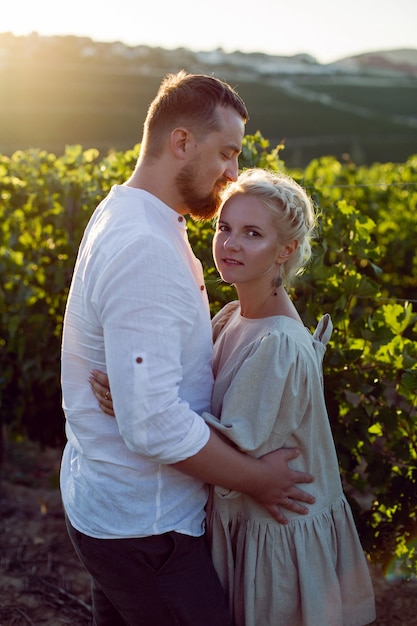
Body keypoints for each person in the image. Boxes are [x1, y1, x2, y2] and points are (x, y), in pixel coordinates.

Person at [60, 71, 316, 626]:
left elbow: (145, 398)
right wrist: (259, 479)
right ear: (181, 142)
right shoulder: (145, 245)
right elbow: (151, 424)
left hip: (115, 510)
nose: (232, 173)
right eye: (227, 153)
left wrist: (134, 397)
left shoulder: (125, 213)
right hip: (147, 529)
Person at [92, 168, 376, 625]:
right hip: (242, 522)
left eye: (252, 233)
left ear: (285, 251)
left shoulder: (280, 342)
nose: (230, 243)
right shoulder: (230, 318)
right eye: (225, 227)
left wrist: (135, 398)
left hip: (275, 536)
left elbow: (229, 444)